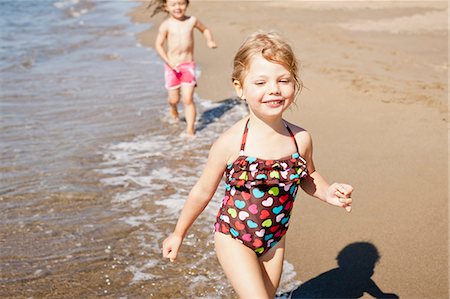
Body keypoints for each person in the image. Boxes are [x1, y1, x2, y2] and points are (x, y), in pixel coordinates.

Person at [162, 31, 353, 298]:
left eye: (283, 80)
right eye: (261, 82)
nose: (274, 89)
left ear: (294, 84)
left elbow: (309, 176)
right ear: (240, 88)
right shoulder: (230, 144)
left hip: (275, 238)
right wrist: (178, 233)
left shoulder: (299, 139)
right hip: (234, 236)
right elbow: (202, 191)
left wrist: (328, 192)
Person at [149, 0, 217, 136]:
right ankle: (173, 108)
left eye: (181, 3)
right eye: (173, 4)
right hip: (171, 67)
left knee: (188, 99)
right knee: (174, 99)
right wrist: (168, 62)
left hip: (187, 65)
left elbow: (205, 29)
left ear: (186, 4)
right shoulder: (166, 25)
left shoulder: (191, 21)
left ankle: (190, 130)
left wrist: (209, 40)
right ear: (166, 7)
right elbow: (158, 45)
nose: (177, 7)